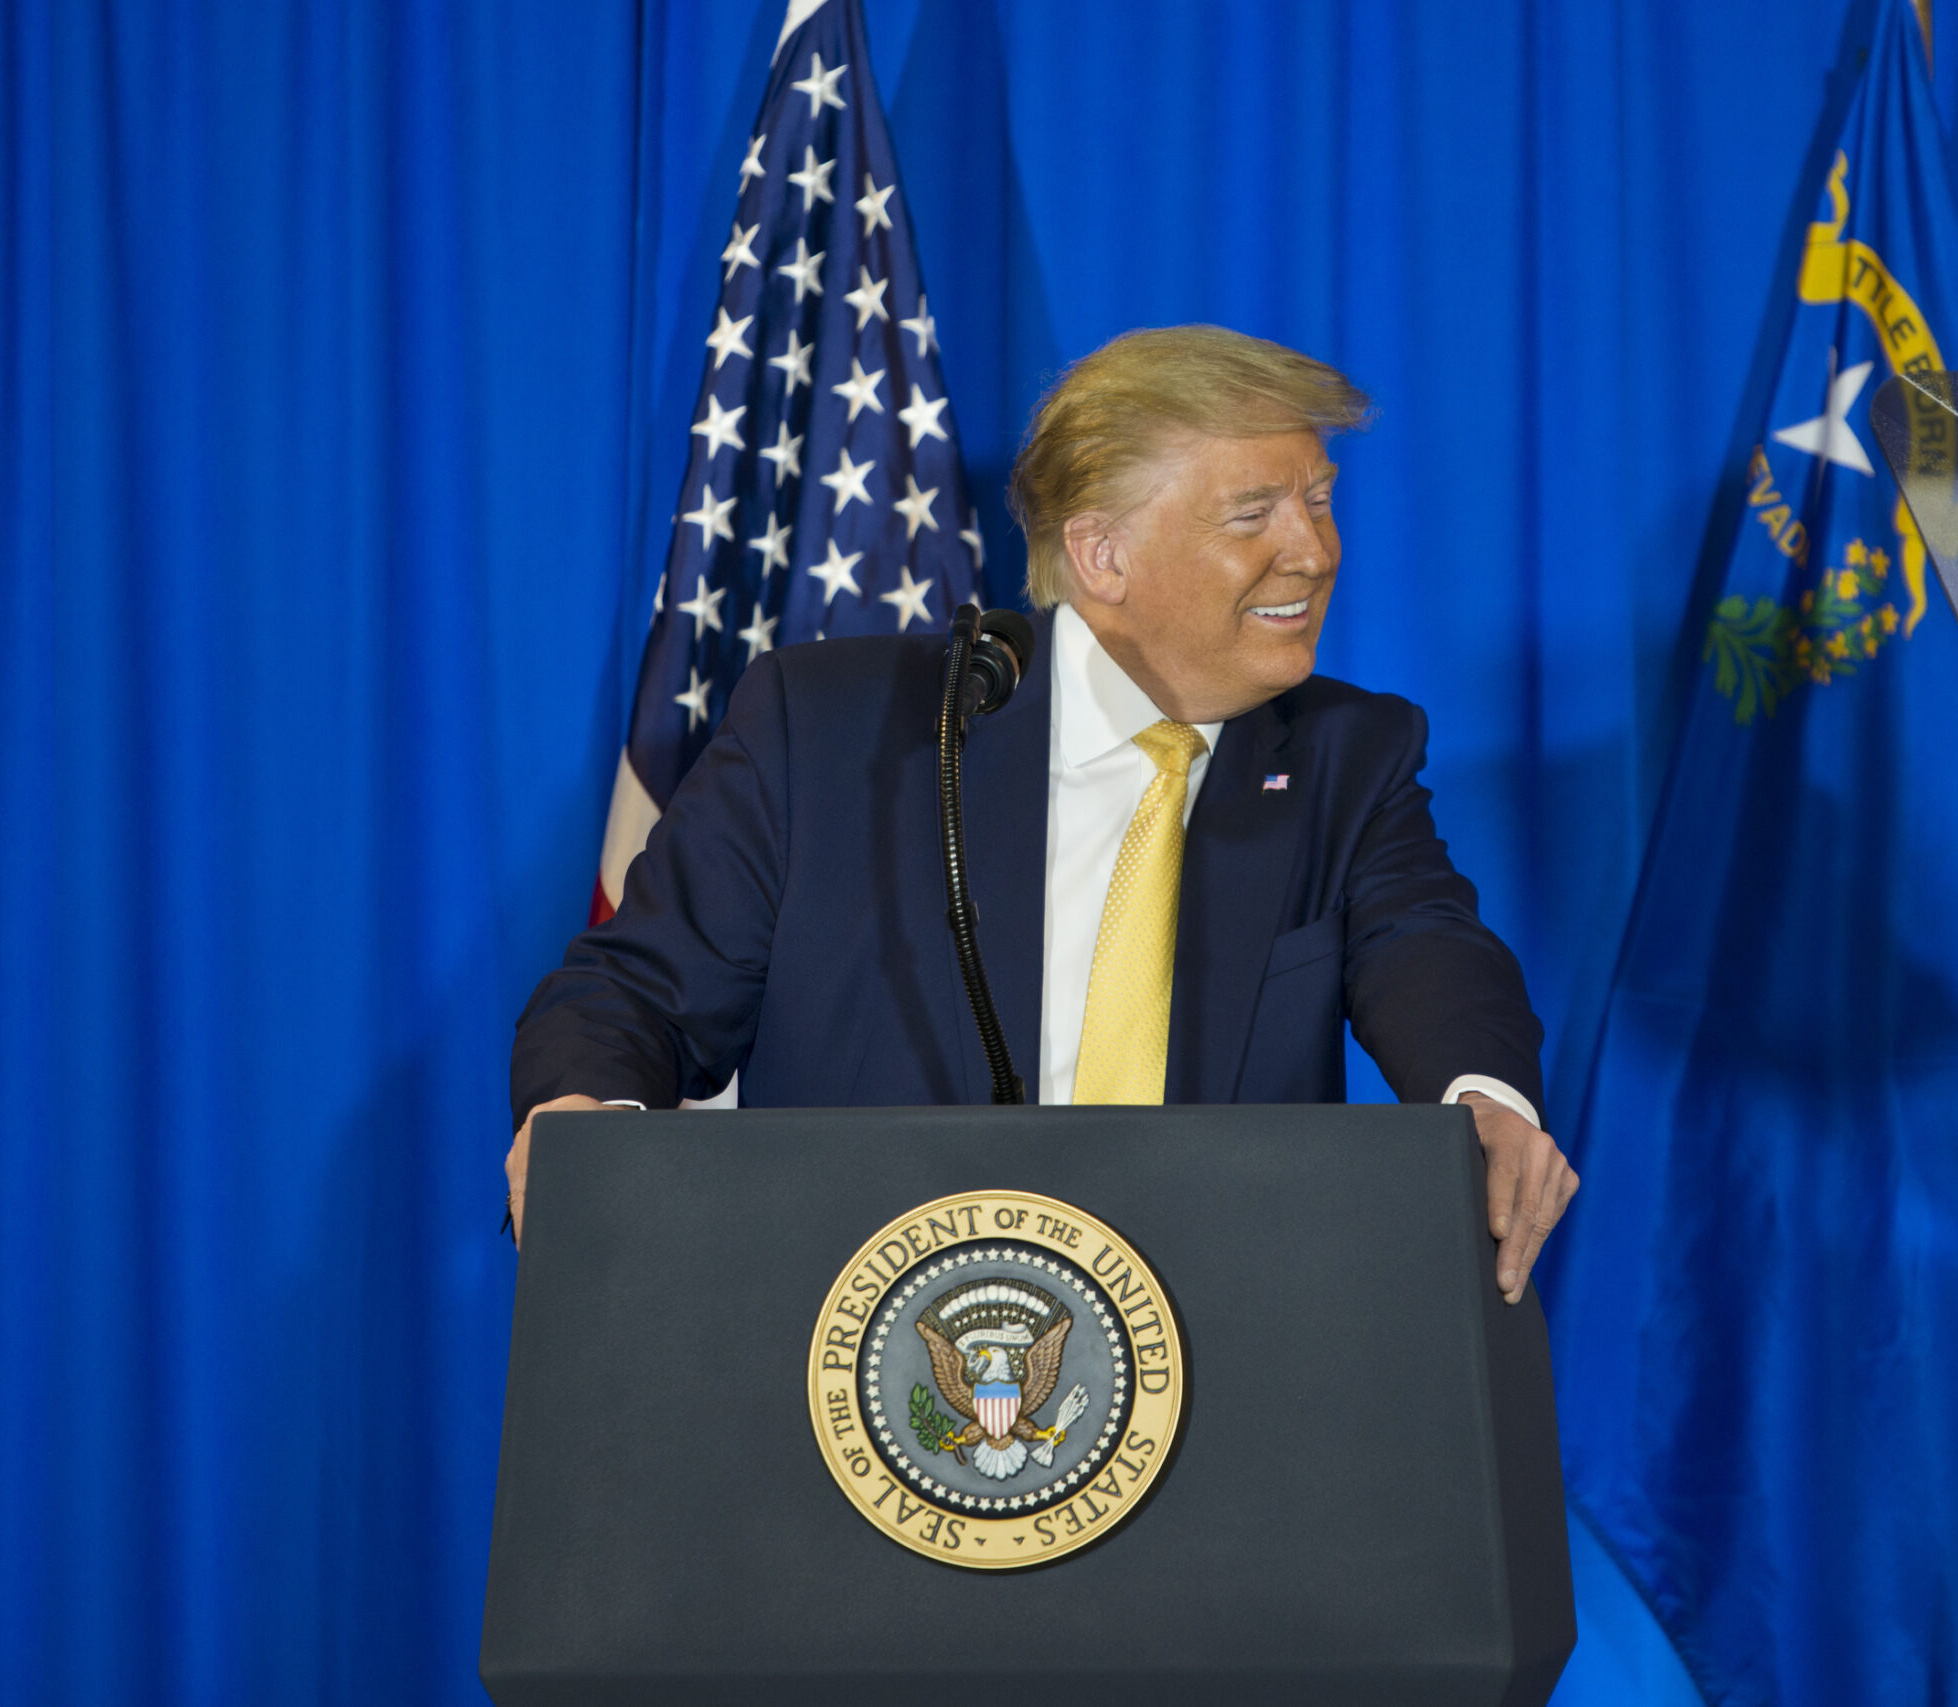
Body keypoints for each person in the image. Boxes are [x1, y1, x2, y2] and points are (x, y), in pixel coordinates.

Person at [506, 325, 1576, 1300]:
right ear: (1102, 556)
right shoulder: (831, 732)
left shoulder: (1350, 753)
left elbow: (1427, 947)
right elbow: (636, 989)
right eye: (1254, 514)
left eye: (1320, 500)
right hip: (858, 1347)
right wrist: (587, 1115)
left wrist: (1482, 1101)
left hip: (1211, 1357)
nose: (1313, 551)